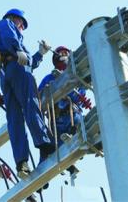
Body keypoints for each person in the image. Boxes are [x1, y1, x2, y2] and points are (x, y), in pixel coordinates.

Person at [0, 8, 55, 179]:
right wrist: (17, 48)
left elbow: (29, 61)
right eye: (21, 24)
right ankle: (44, 144)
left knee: (14, 118)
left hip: (6, 74)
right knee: (30, 104)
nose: (22, 28)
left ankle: (22, 163)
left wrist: (40, 53)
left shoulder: (11, 42)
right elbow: (12, 41)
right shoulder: (5, 24)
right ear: (14, 19)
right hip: (17, 69)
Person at [38, 46, 91, 178]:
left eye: (66, 53)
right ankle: (41, 175)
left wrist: (70, 93)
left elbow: (80, 95)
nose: (64, 55)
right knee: (48, 145)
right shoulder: (49, 78)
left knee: (81, 126)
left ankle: (72, 156)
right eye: (61, 53)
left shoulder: (75, 75)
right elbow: (39, 98)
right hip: (56, 119)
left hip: (73, 115)